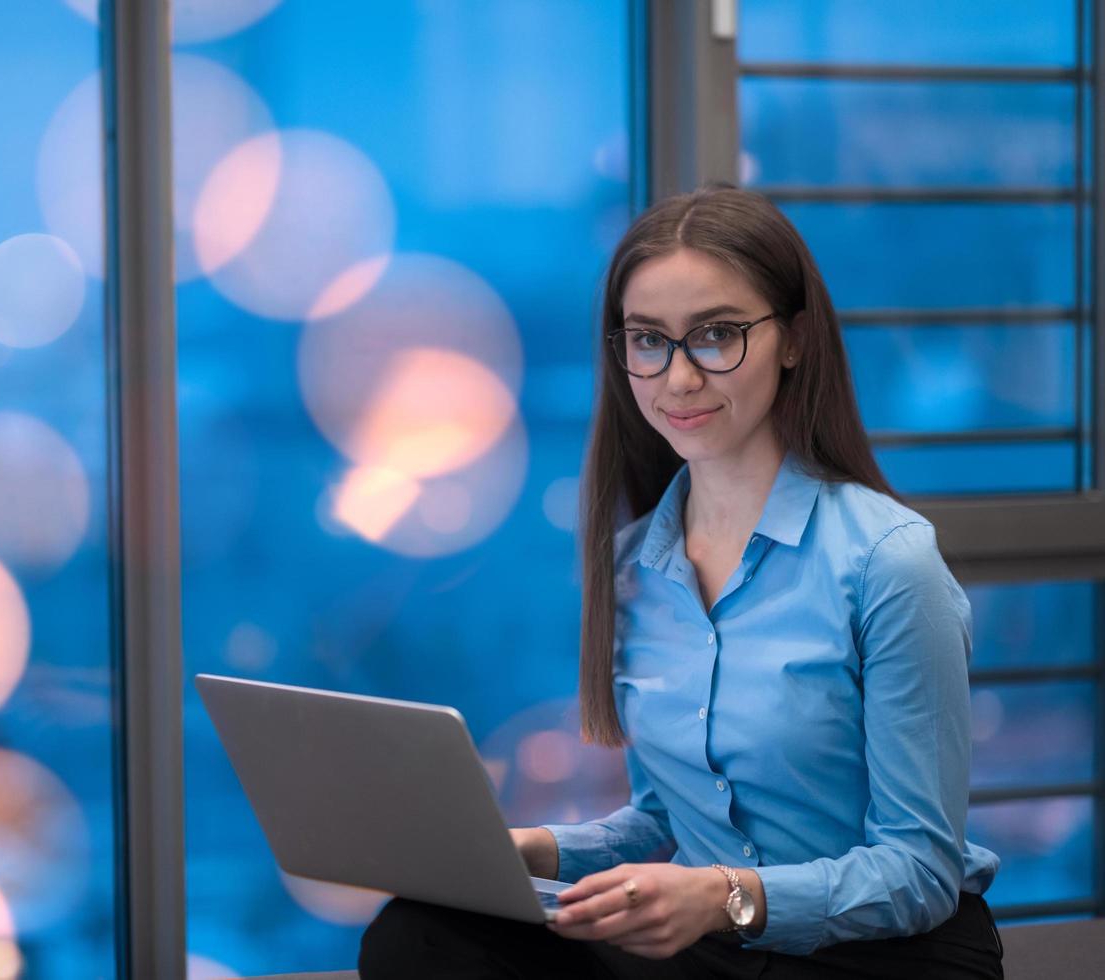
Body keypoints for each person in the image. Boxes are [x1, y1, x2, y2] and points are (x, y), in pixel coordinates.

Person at [358, 185, 1005, 979]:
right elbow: (666, 817)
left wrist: (726, 898)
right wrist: (532, 850)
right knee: (417, 934)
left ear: (794, 339)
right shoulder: (636, 564)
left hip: (878, 953)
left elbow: (920, 871)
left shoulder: (888, 562)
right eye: (648, 341)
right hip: (716, 946)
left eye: (717, 336)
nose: (679, 377)